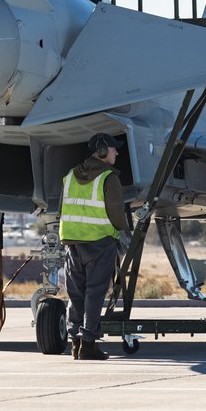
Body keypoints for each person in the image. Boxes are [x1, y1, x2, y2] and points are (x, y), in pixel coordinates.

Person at [60, 132, 129, 360]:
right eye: (112, 149)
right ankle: (88, 344)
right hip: (99, 243)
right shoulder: (109, 178)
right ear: (102, 151)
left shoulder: (70, 176)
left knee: (76, 294)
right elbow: (117, 214)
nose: (116, 152)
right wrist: (125, 233)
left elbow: (64, 208)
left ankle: (76, 343)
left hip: (73, 244)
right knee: (94, 294)